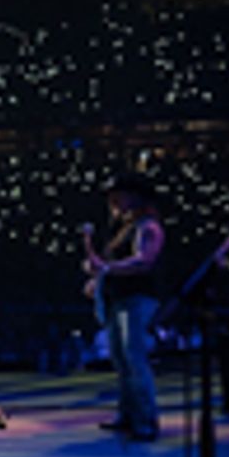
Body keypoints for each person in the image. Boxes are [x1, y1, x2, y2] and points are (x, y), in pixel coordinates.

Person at [83, 174, 165, 442]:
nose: (113, 201)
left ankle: (145, 420)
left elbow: (145, 261)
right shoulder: (125, 228)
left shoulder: (148, 226)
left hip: (137, 299)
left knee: (135, 360)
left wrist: (105, 269)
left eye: (119, 194)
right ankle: (128, 414)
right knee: (121, 360)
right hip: (120, 299)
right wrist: (99, 279)